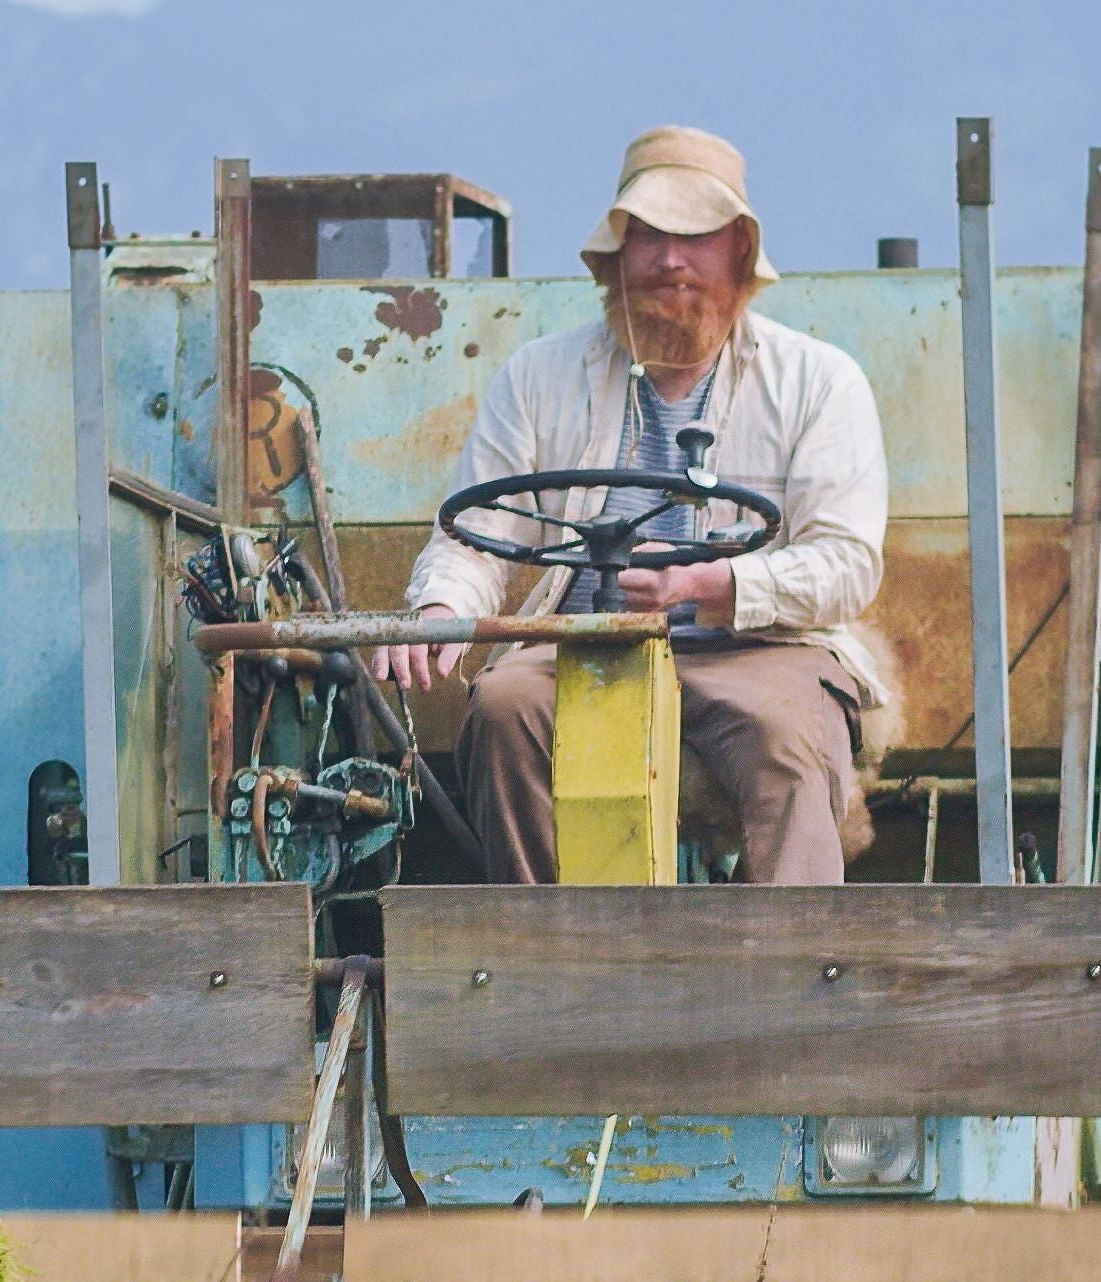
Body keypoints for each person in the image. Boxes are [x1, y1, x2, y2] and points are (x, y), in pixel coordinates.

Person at [380, 125, 894, 885]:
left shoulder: (820, 382)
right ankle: (548, 961)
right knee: (503, 705)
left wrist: (710, 584)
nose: (670, 258)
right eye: (648, 233)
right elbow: (475, 535)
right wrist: (438, 609)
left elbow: (848, 565)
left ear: (741, 252)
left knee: (783, 737)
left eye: (696, 234)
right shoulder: (538, 377)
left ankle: (795, 975)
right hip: (587, 645)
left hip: (763, 646)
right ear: (616, 254)